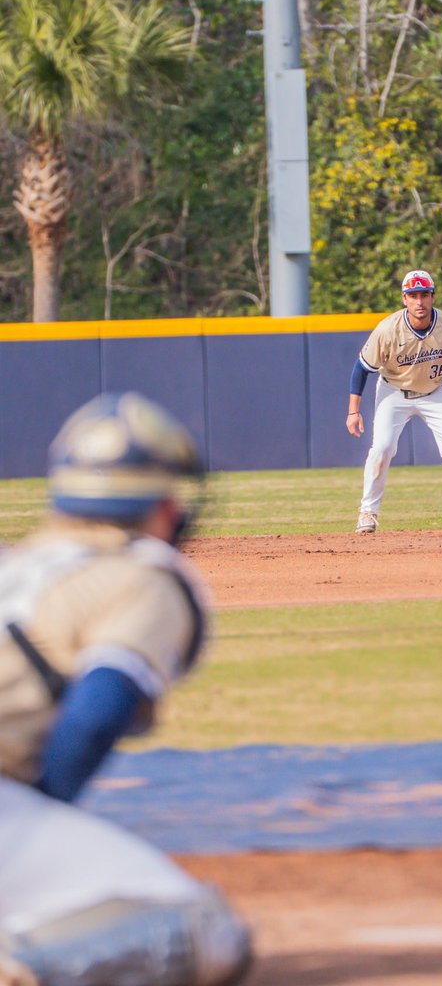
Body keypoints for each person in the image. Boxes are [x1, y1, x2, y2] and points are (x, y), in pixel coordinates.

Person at [0, 392, 251, 986]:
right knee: (205, 928)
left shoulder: (14, 562)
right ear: (163, 507)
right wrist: (47, 813)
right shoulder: (144, 574)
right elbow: (96, 712)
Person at [346, 269, 442, 533]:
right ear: (404, 299)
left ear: (433, 296)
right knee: (382, 448)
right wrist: (353, 412)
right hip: (393, 392)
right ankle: (367, 513)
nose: (419, 301)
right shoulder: (388, 329)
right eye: (413, 295)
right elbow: (361, 368)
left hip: (435, 392)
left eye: (424, 294)